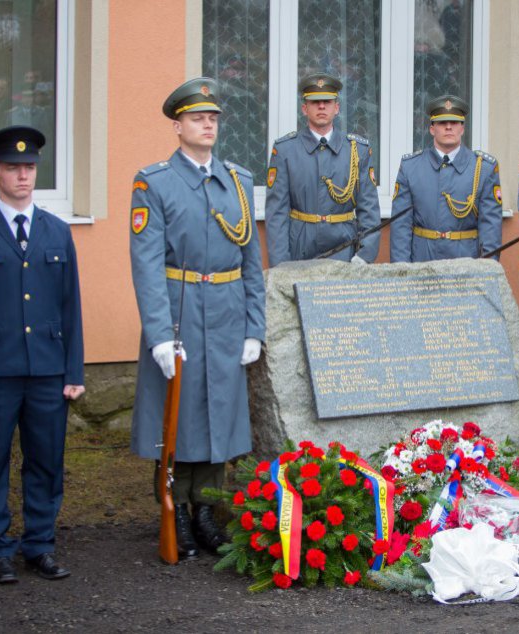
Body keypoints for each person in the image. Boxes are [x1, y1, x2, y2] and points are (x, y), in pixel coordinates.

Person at [129, 78, 266, 558]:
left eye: (213, 118)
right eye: (197, 118)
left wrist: (255, 326)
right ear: (177, 126)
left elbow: (251, 260)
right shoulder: (155, 183)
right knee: (179, 412)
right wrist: (159, 336)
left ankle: (207, 510)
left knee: (219, 412)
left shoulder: (238, 180)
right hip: (181, 308)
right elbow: (147, 265)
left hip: (227, 312)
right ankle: (175, 509)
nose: (207, 124)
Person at [0, 126, 85, 583]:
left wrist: (74, 369)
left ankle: (39, 545)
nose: (22, 175)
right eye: (12, 168)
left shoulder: (58, 232)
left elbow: (71, 305)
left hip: (47, 368)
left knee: (46, 460)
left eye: (28, 168)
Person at [265, 73, 380, 266]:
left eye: (327, 101)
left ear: (336, 108)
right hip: (300, 246)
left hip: (344, 246)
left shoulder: (357, 150)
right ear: (304, 108)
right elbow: (276, 212)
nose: (321, 106)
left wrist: (365, 255)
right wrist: (280, 263)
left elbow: (368, 208)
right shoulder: (285, 150)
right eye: (314, 102)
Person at [390, 95, 502, 262]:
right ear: (432, 128)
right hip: (422, 262)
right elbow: (400, 227)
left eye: (454, 122)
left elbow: (490, 229)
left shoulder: (484, 168)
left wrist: (487, 272)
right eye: (442, 123)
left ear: (462, 128)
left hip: (466, 265)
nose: (448, 127)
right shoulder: (410, 167)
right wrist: (401, 271)